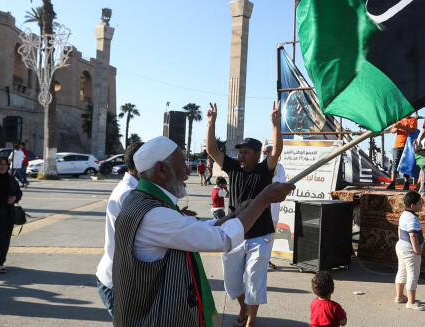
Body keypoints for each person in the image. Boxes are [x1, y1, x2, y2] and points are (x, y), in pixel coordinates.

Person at [112, 135, 293, 327]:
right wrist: (263, 199)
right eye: (182, 165)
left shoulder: (144, 200)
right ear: (161, 169)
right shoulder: (154, 214)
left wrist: (232, 216)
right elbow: (221, 239)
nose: (187, 171)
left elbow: (194, 228)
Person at [206, 101, 284, 327]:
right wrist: (211, 124)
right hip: (234, 234)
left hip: (260, 235)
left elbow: (276, 151)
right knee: (231, 281)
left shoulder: (264, 170)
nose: (240, 156)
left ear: (257, 154)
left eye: (246, 152)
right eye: (239, 152)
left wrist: (275, 125)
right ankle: (243, 306)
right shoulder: (231, 167)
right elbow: (212, 150)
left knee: (254, 279)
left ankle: (251, 318)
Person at [95, 141, 144, 318]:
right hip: (117, 284)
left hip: (121, 280)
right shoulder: (128, 194)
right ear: (141, 165)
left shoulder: (133, 189)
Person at [394, 191, 425, 311]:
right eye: (420, 203)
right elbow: (413, 235)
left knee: (402, 272)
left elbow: (399, 230)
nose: (422, 205)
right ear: (413, 206)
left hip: (401, 247)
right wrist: (417, 250)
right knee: (413, 275)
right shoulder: (413, 219)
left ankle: (399, 296)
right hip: (410, 251)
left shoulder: (403, 214)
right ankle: (411, 302)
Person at [0, 156, 22, 273]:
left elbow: (18, 192)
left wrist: (15, 198)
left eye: (5, 164)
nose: (3, 166)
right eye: (0, 164)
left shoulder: (10, 179)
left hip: (5, 216)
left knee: (3, 240)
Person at [263, 144, 286, 270]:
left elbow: (282, 184)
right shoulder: (258, 167)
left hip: (273, 210)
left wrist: (272, 176)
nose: (265, 155)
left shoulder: (279, 167)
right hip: (258, 209)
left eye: (267, 152)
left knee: (270, 236)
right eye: (264, 152)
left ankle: (267, 260)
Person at [386, 113, 418, 191]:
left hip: (408, 145)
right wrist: (397, 128)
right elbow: (392, 131)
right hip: (398, 145)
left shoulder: (413, 120)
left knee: (406, 164)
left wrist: (402, 127)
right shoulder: (398, 120)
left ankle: (406, 183)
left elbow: (413, 130)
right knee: (395, 163)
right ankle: (392, 182)